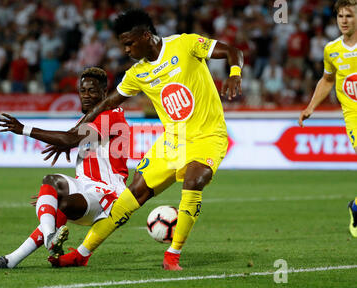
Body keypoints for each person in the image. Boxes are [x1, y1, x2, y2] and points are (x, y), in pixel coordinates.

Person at [45, 9, 243, 271]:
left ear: (146, 36)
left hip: (208, 137)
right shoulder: (137, 73)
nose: (126, 49)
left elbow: (233, 51)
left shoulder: (184, 44)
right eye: (123, 44)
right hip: (172, 143)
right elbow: (106, 104)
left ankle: (172, 256)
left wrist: (235, 73)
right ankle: (82, 253)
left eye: (129, 43)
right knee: (131, 197)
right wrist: (74, 132)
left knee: (195, 179)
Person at [0, 67, 130, 269]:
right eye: (83, 90)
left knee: (55, 198)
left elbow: (69, 137)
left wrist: (24, 129)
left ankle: (45, 241)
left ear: (104, 92)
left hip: (107, 196)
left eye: (92, 90)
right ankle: (19, 255)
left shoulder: (111, 115)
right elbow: (69, 137)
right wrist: (51, 195)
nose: (86, 95)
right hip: (87, 187)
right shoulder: (89, 118)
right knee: (51, 183)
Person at [298, 0, 357, 237]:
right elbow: (328, 80)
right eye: (340, 16)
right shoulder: (331, 49)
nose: (343, 21)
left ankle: (356, 206)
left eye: (349, 16)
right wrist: (311, 106)